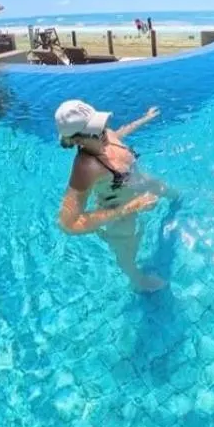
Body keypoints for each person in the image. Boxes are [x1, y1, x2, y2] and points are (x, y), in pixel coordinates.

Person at [55, 98, 170, 292]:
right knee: (127, 254)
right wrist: (130, 208)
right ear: (76, 139)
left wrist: (144, 119)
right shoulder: (86, 168)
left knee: (178, 195)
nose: (104, 130)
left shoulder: (103, 134)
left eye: (101, 124)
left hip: (141, 183)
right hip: (120, 209)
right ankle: (138, 282)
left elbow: (117, 135)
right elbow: (68, 223)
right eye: (96, 130)